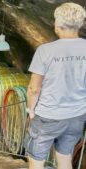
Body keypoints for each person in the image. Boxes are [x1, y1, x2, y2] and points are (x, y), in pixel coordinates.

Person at [26, 2, 86, 169]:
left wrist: (31, 110)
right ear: (80, 25)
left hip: (48, 115)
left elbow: (34, 88)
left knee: (36, 158)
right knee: (65, 156)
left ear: (58, 24)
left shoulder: (45, 50)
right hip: (76, 116)